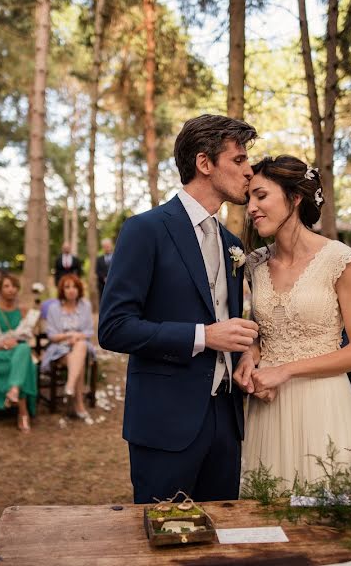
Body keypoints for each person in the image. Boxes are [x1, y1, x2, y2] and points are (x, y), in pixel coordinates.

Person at [99, 114, 260, 503]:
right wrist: (203, 336)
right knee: (164, 541)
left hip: (227, 419)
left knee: (221, 541)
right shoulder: (145, 230)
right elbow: (115, 327)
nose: (249, 171)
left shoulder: (231, 242)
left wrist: (248, 351)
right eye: (238, 160)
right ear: (205, 164)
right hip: (165, 423)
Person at [237, 155, 351, 486]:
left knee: (325, 512)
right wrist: (249, 357)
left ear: (295, 198)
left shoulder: (339, 260)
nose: (251, 208)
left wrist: (285, 370)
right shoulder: (255, 263)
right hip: (269, 406)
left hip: (322, 400)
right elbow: (266, 333)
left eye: (261, 195)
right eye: (248, 199)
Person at [0, 274, 38, 434]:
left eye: (14, 286)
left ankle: (14, 390)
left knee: (23, 350)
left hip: (16, 354)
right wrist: (3, 343)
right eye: (7, 286)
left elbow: (29, 335)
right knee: (24, 360)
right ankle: (23, 413)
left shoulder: (22, 310)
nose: (11, 290)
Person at [41, 274, 97, 419]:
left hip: (80, 345)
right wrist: (68, 336)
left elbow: (89, 331)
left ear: (79, 289)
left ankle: (70, 386)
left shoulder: (85, 305)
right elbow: (52, 335)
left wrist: (77, 336)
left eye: (74, 287)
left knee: (82, 345)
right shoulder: (54, 308)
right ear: (62, 290)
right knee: (78, 362)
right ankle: (79, 405)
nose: (71, 290)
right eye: (67, 287)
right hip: (59, 348)